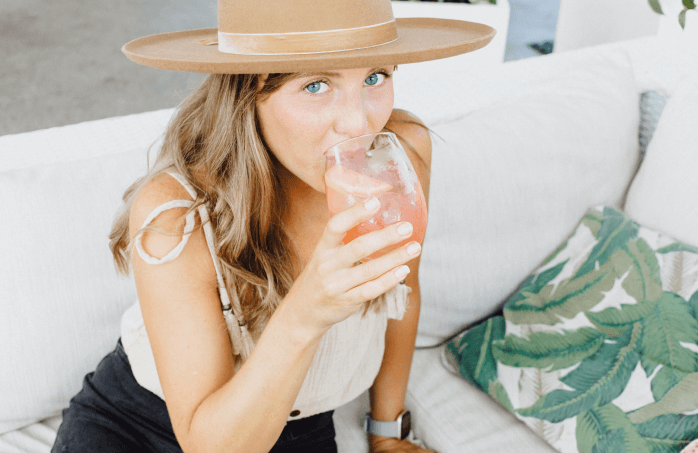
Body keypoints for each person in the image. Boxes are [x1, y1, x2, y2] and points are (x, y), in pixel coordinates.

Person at [51, 1, 495, 452]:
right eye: (317, 85)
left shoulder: (399, 156)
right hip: (140, 425)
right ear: (248, 94)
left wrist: (386, 434)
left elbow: (405, 291)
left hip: (298, 431)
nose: (358, 121)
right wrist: (307, 310)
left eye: (375, 77)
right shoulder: (177, 212)